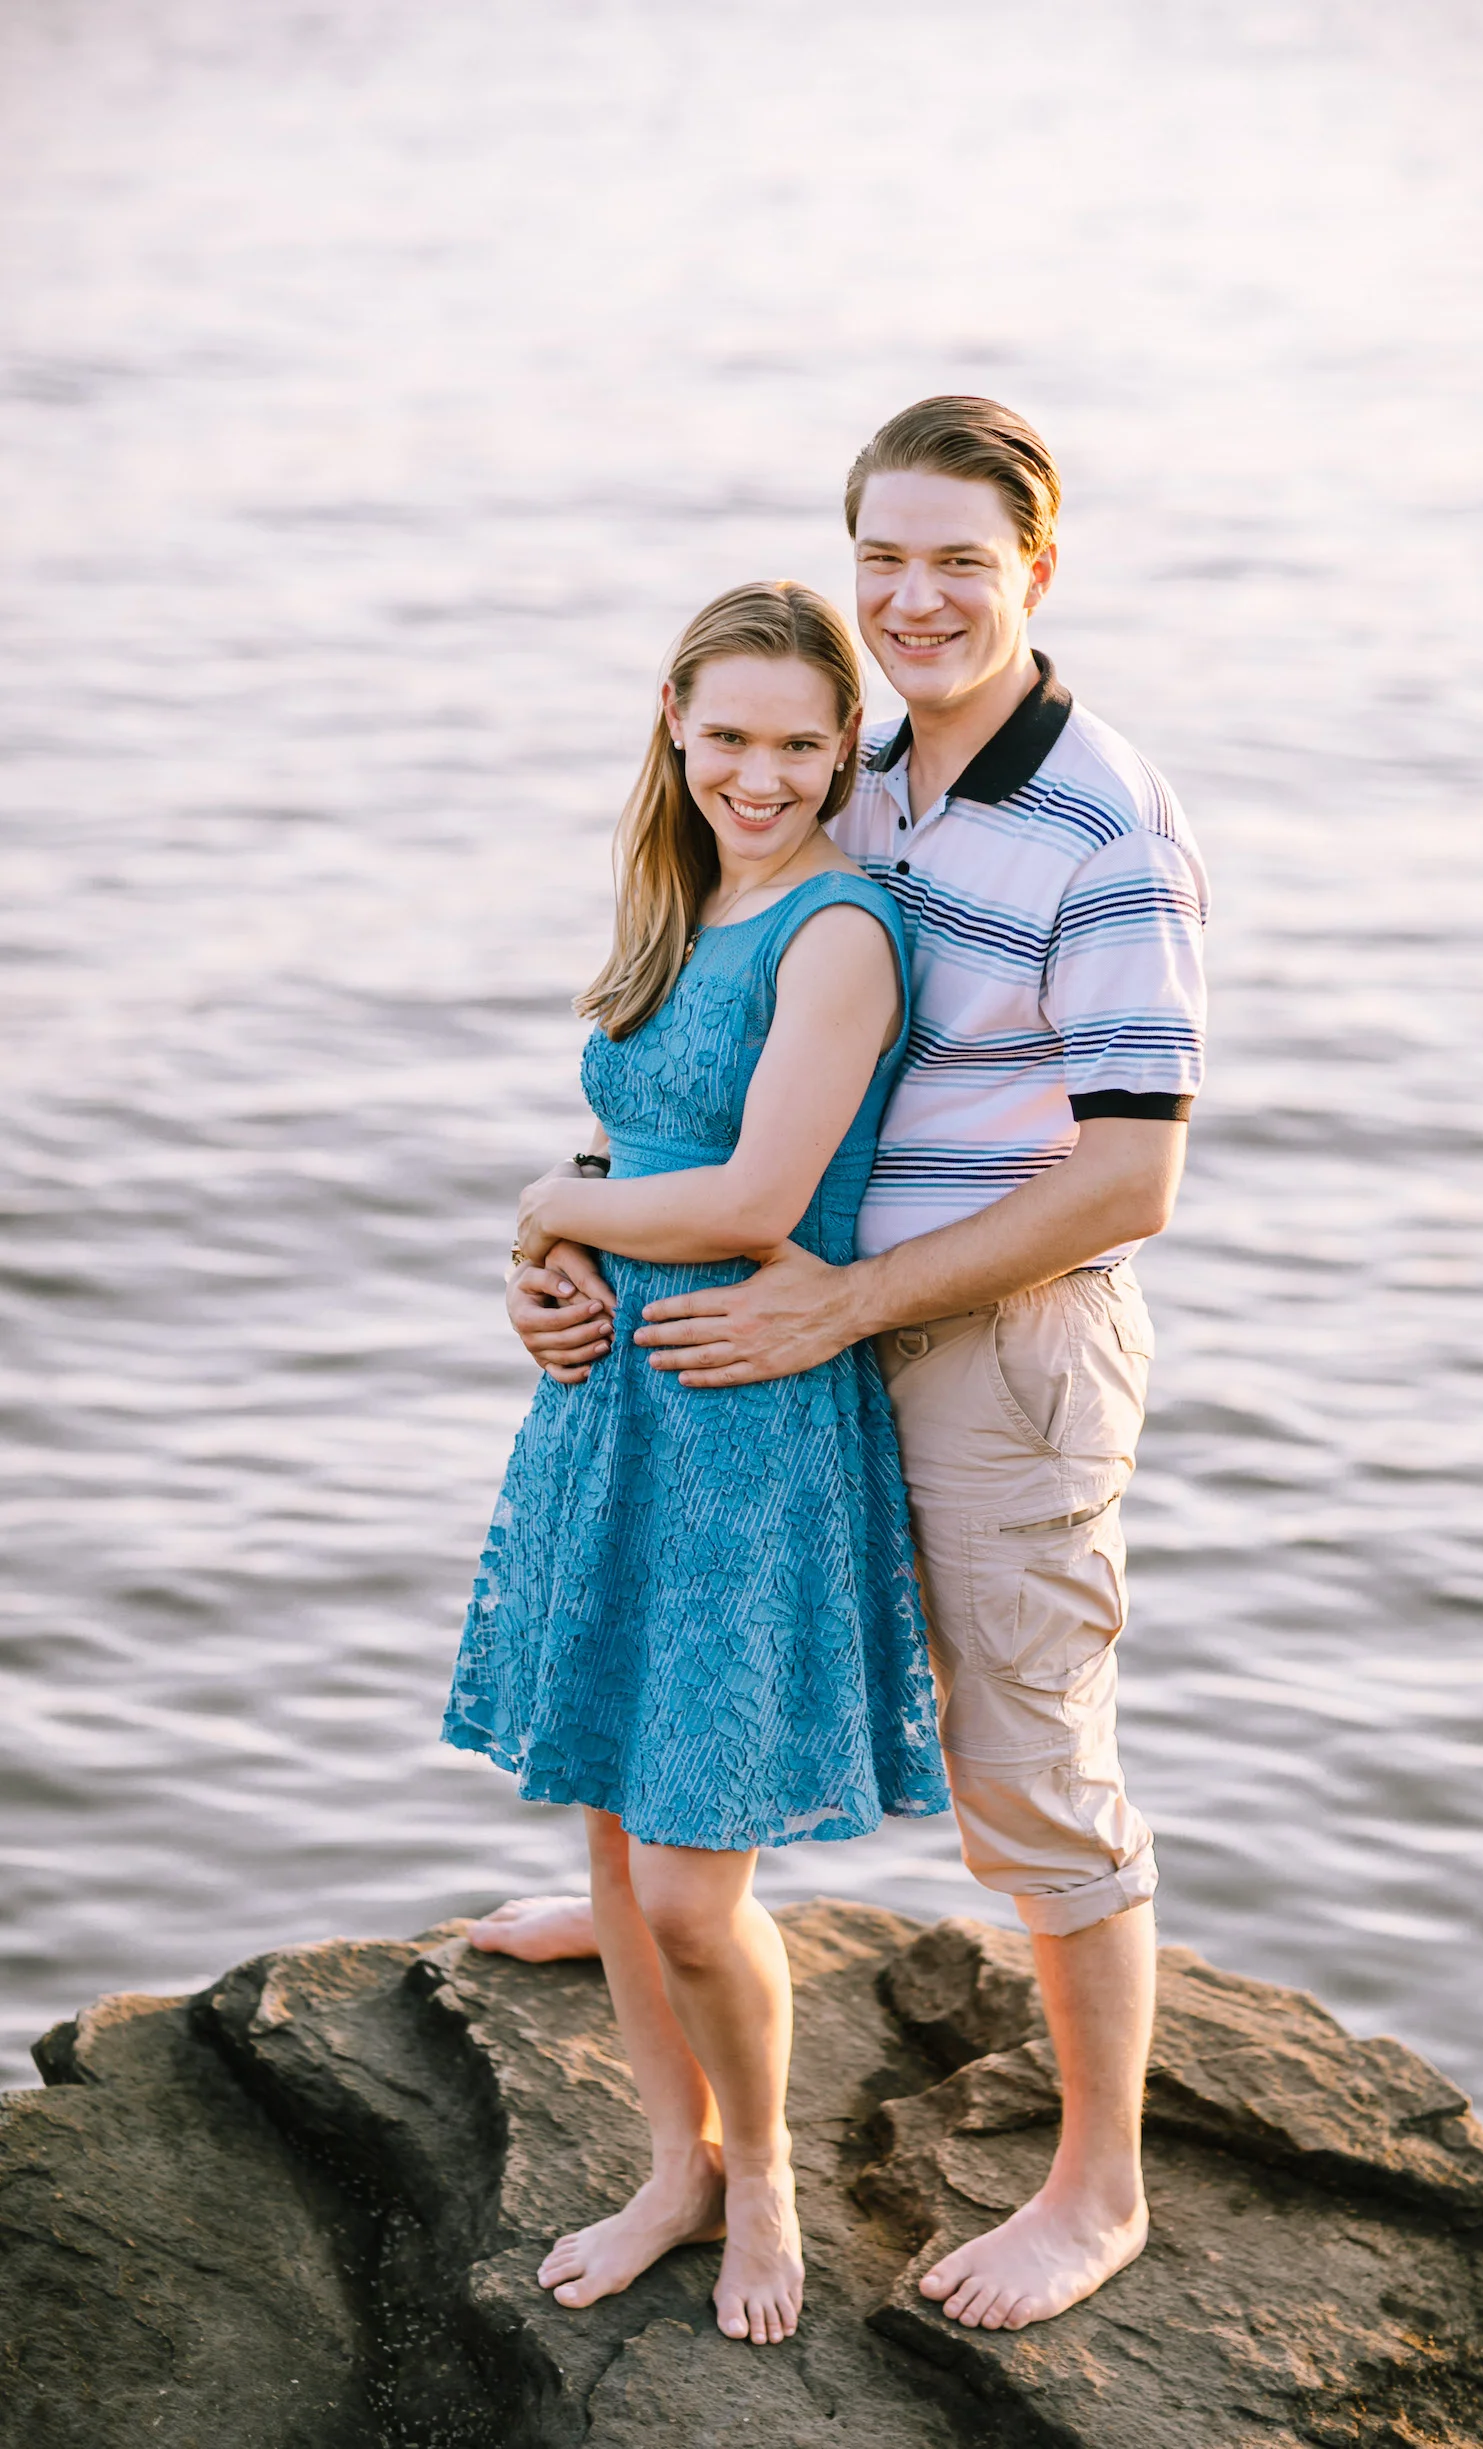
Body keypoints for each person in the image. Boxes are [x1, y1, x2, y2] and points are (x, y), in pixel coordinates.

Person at [489, 398, 1208, 2335]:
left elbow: (1134, 1174)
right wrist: (563, 1240)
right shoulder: (861, 773)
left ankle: (1100, 2189)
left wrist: (844, 1298)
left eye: (961, 559)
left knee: (1028, 1768)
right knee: (702, 1692)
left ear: (1036, 567)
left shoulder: (1106, 823)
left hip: (995, 1338)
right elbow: (715, 1072)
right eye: (883, 556)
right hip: (790, 1330)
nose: (915, 597)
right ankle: (654, 1901)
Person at [444, 579, 949, 2350]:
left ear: (847, 748)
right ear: (674, 720)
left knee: (685, 1882)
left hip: (745, 1421)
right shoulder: (680, 899)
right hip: (615, 1410)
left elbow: (752, 1198)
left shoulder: (838, 931)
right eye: (728, 734)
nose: (761, 774)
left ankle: (765, 2176)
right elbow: (634, 1144)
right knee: (608, 1810)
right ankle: (672, 2167)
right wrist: (545, 1261)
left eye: (801, 744)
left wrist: (549, 1206)